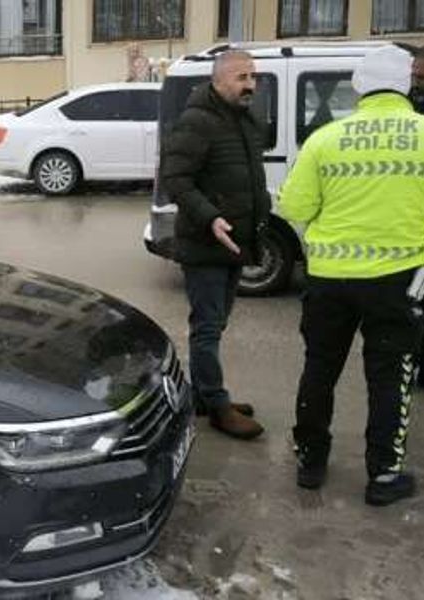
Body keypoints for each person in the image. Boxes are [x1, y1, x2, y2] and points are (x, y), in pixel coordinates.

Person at [279, 45, 424, 506]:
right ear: (408, 84)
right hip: (398, 279)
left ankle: (310, 461)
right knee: (390, 374)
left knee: (320, 367)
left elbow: (294, 207)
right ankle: (383, 476)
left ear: (358, 86)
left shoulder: (325, 138)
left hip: (329, 279)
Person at [160, 50, 269, 440]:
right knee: (207, 327)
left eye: (253, 76)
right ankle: (218, 406)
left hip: (235, 243)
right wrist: (210, 217)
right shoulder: (197, 121)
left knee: (216, 322)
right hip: (205, 243)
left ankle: (205, 395)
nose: (250, 85)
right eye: (241, 77)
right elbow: (175, 178)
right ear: (218, 79)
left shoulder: (243, 119)